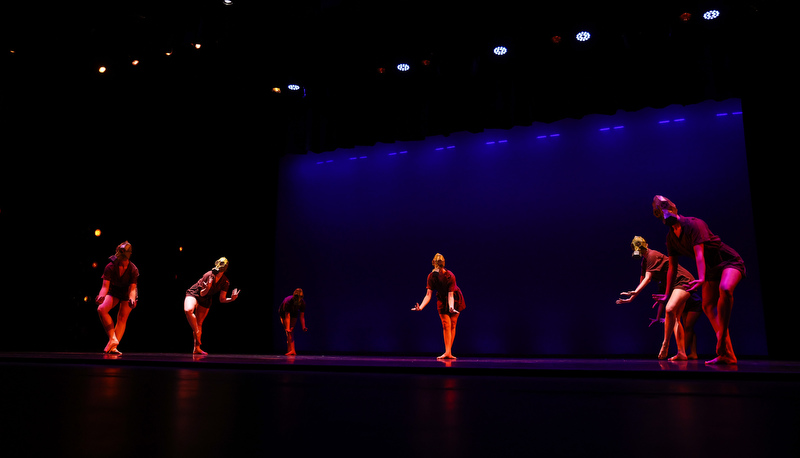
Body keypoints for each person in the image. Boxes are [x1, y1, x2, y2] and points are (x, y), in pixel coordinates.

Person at [653, 195, 746, 365]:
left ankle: (722, 337)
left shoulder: (694, 224)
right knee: (707, 306)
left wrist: (701, 277)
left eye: (665, 205)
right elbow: (672, 268)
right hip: (711, 271)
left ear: (674, 206)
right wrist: (667, 294)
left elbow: (699, 253)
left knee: (725, 289)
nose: (663, 210)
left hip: (727, 262)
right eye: (659, 209)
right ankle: (728, 354)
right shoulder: (671, 238)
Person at [617, 236, 703, 360]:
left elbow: (648, 279)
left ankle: (665, 344)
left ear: (645, 245)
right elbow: (642, 281)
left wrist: (635, 292)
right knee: (675, 317)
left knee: (670, 309)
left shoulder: (652, 255)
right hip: (674, 285)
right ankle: (682, 353)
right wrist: (632, 297)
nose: (640, 252)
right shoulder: (644, 262)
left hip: (683, 280)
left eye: (641, 248)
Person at [412, 253, 465, 360]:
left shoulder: (450, 276)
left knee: (453, 324)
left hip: (454, 298)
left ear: (443, 265)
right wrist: (421, 307)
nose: (438, 270)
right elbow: (428, 294)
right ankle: (447, 352)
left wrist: (451, 307)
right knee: (446, 324)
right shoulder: (432, 276)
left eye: (439, 267)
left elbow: (451, 295)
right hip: (441, 299)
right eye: (436, 267)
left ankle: (448, 352)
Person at [183, 257, 240, 355]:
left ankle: (197, 348)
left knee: (199, 323)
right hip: (195, 293)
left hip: (206, 299)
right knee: (188, 310)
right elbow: (201, 293)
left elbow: (222, 299)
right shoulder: (209, 275)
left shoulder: (225, 281)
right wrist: (208, 287)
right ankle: (196, 331)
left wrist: (232, 299)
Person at [96, 241, 139, 355]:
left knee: (122, 318)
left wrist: (132, 299)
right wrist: (101, 296)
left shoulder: (133, 269)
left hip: (128, 293)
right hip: (114, 291)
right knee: (101, 309)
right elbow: (105, 287)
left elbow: (133, 288)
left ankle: (113, 347)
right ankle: (113, 339)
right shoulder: (110, 266)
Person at [278, 288, 308, 355]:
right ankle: (291, 350)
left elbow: (302, 316)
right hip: (284, 313)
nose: (298, 299)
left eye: (300, 297)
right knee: (288, 331)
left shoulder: (302, 303)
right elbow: (287, 316)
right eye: (297, 297)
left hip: (294, 313)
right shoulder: (288, 301)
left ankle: (291, 350)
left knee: (291, 331)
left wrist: (303, 327)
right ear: (294, 296)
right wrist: (287, 327)